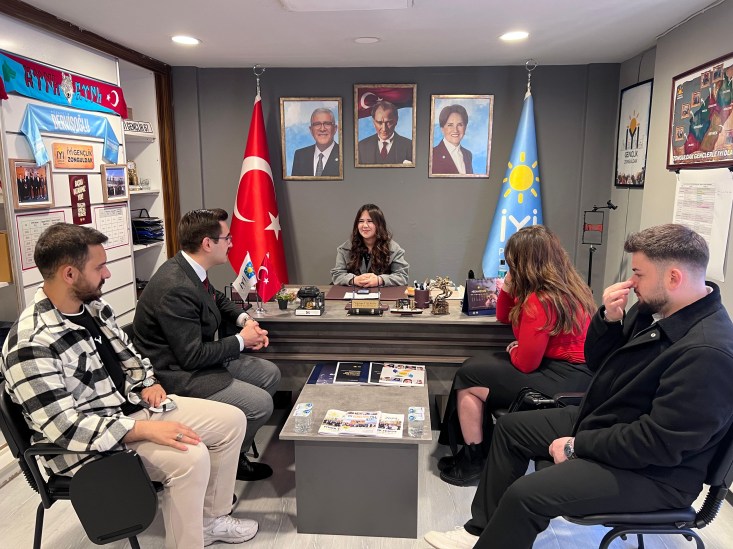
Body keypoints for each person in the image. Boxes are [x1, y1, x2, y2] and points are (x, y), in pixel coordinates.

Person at [425, 224, 733, 549]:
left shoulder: (708, 352)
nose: (631, 283)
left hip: (654, 475)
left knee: (526, 494)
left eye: (638, 274)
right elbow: (597, 361)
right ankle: (479, 531)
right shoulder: (654, 312)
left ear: (673, 277)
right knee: (510, 429)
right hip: (611, 424)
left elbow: (658, 444)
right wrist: (609, 319)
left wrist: (577, 446)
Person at [0, 223, 257, 548]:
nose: (107, 273)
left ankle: (210, 521)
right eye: (99, 267)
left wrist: (147, 381)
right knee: (191, 458)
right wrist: (144, 430)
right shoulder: (31, 344)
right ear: (69, 274)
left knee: (232, 421)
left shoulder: (93, 308)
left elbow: (131, 356)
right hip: (89, 446)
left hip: (132, 409)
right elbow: (66, 429)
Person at [437, 225, 595, 486]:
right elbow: (503, 316)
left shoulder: (541, 300)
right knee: (473, 367)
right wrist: (509, 287)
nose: (510, 266)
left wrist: (517, 349)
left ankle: (475, 461)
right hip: (578, 375)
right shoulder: (572, 288)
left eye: (512, 262)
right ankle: (477, 450)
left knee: (469, 376)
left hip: (561, 377)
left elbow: (525, 363)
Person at [133, 208, 281, 482]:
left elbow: (215, 299)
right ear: (207, 244)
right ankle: (220, 468)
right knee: (260, 405)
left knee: (269, 373)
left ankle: (234, 453)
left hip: (193, 362)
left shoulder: (191, 269)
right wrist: (242, 340)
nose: (232, 244)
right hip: (177, 375)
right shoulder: (176, 286)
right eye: (227, 238)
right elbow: (192, 356)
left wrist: (245, 320)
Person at [331, 203, 409, 287]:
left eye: (370, 221)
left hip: (382, 293)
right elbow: (337, 275)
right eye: (361, 221)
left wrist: (380, 280)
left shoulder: (394, 249)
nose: (365, 225)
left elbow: (402, 276)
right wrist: (354, 280)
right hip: (353, 293)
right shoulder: (345, 248)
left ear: (379, 224)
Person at [357, 100, 413, 165]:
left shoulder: (410, 146)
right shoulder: (361, 147)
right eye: (379, 122)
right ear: (373, 122)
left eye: (388, 122)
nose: (384, 129)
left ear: (396, 120)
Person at [291, 107, 340, 177]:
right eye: (317, 124)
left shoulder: (344, 155)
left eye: (327, 124)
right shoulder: (300, 155)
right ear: (311, 130)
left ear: (335, 129)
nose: (322, 129)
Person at [432, 104, 474, 175]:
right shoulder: (433, 154)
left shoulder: (468, 154)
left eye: (460, 125)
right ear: (442, 128)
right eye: (450, 125)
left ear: (465, 127)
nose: (455, 130)